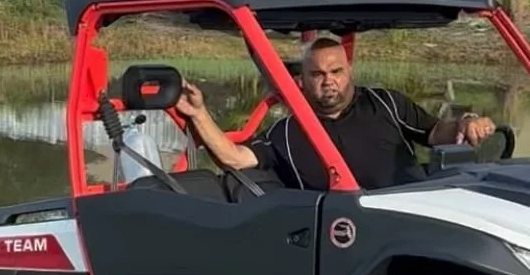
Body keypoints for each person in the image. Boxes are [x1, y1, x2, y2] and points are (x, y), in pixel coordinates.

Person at [175, 36, 496, 191]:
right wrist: (200, 113)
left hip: (405, 212)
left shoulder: (386, 103)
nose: (329, 81)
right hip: (337, 232)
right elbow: (234, 158)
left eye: (336, 71)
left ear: (349, 71)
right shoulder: (286, 132)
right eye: (318, 74)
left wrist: (467, 123)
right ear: (302, 81)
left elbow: (438, 132)